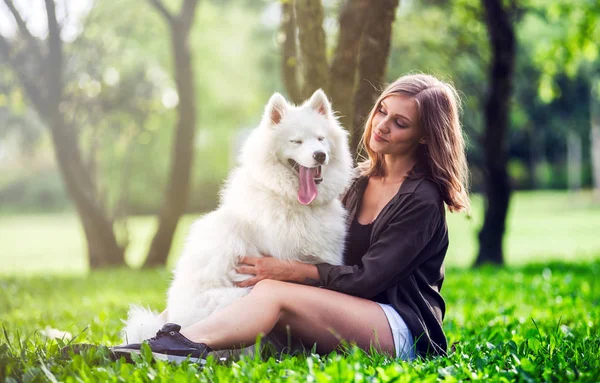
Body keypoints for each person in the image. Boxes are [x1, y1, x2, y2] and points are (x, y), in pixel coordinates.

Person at [111, 74, 470, 363]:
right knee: (257, 290)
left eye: (400, 122)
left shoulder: (421, 199)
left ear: (424, 137)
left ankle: (175, 347)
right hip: (349, 311)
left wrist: (290, 272)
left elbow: (367, 279)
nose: (382, 126)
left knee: (272, 292)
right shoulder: (355, 183)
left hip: (400, 328)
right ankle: (163, 336)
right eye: (381, 111)